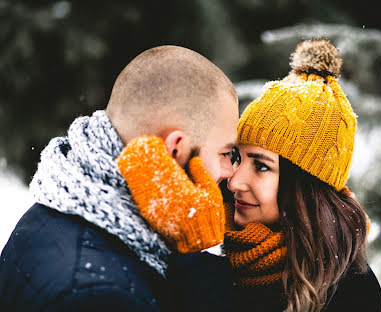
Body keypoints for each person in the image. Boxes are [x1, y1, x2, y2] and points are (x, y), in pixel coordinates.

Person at [0, 45, 238, 311]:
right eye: (225, 153)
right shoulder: (101, 295)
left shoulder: (57, 210)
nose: (230, 171)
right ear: (175, 150)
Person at [221, 39, 381, 311]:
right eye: (237, 158)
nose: (234, 181)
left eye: (261, 166)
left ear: (304, 187)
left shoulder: (351, 293)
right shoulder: (204, 238)